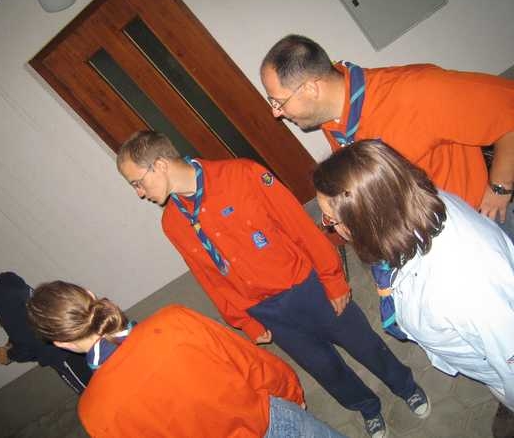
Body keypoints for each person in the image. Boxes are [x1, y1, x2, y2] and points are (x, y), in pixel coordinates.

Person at [115, 130, 429, 438]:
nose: (139, 193)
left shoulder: (242, 175)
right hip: (266, 311)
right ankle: (366, 407)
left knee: (362, 342)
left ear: (160, 165)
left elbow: (300, 227)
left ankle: (404, 386)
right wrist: (244, 320)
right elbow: (208, 278)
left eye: (137, 182)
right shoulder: (173, 223)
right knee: (324, 368)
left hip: (307, 287)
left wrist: (332, 278)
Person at [312, 139, 514, 438]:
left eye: (331, 219)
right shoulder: (416, 207)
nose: (330, 228)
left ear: (365, 219)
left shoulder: (464, 291)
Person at [260, 34, 514, 239]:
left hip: (476, 225)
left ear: (311, 89)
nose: (275, 113)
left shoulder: (414, 91)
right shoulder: (334, 118)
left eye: (279, 101)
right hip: (422, 235)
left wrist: (500, 188)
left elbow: (508, 106)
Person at [26, 281, 345, 438]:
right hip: (271, 423)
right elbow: (251, 363)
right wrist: (291, 393)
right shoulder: (174, 321)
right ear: (90, 295)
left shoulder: (93, 412)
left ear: (60, 342)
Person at [0, 260, 92, 393]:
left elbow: (29, 345)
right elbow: (25, 324)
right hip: (68, 340)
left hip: (60, 354)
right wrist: (10, 343)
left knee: (91, 392)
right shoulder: (7, 286)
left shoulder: (3, 303)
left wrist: (9, 355)